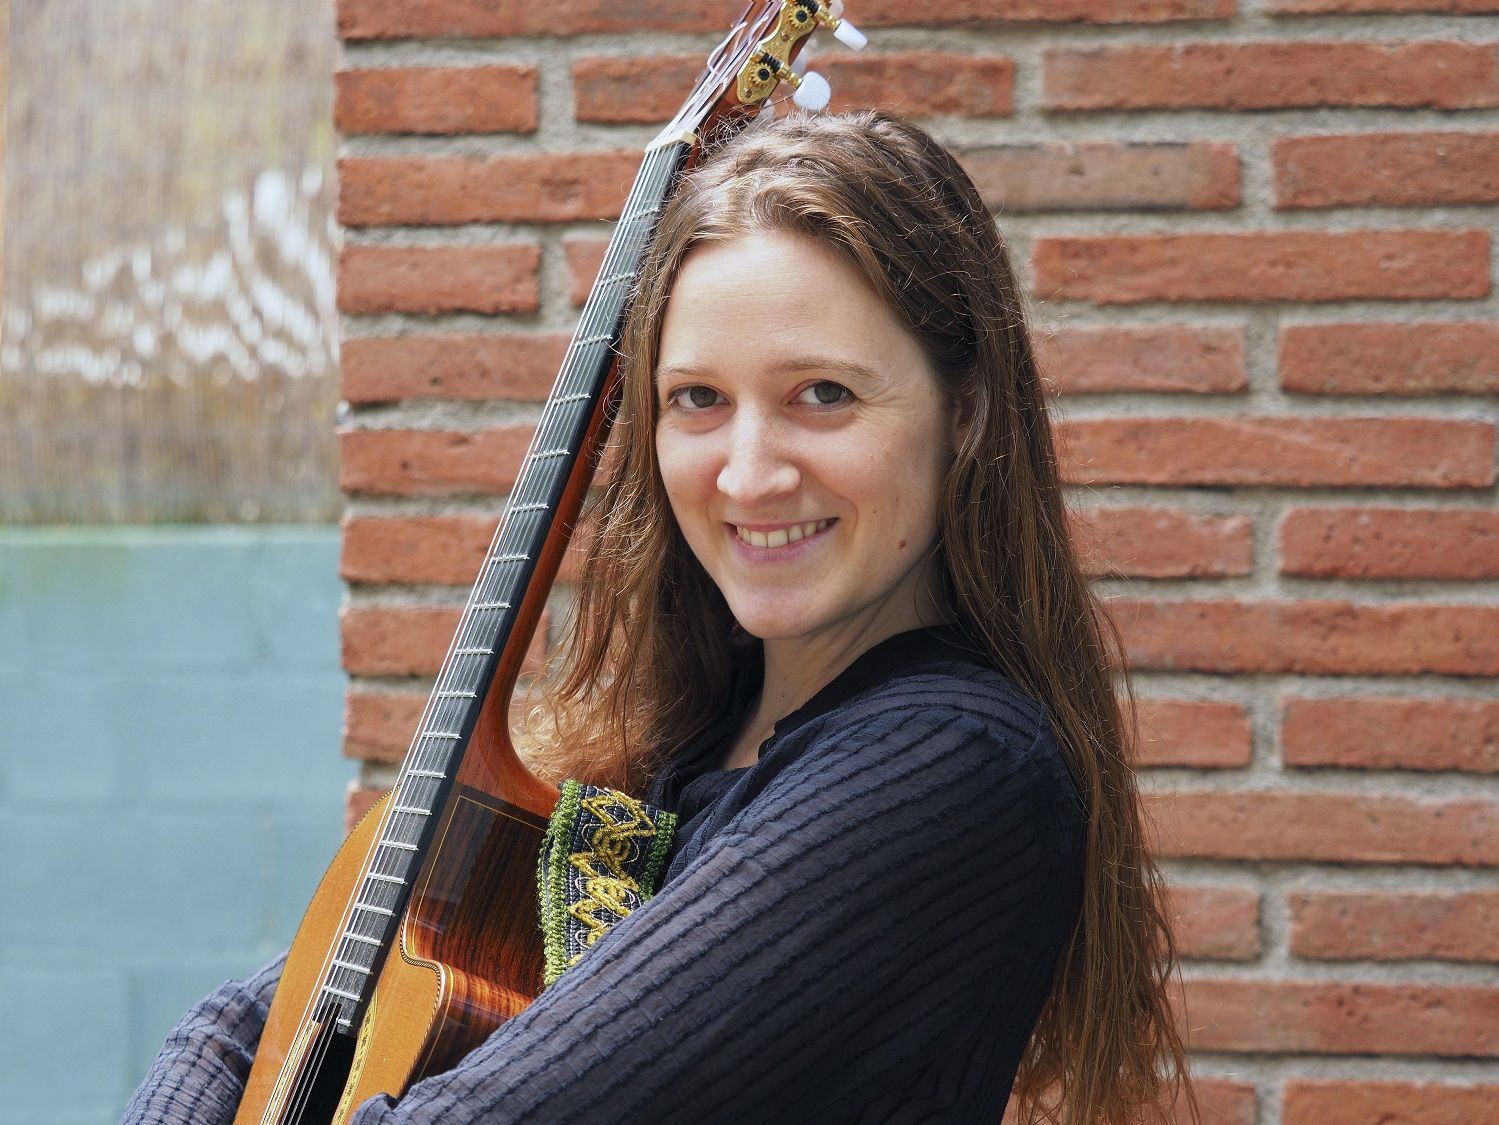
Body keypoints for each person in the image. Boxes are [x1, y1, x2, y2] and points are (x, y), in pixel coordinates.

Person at [124, 111, 1197, 1124]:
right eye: (699, 399)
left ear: (964, 414)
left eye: (823, 393)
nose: (749, 473)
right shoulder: (672, 746)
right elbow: (236, 1028)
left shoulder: (949, 764)